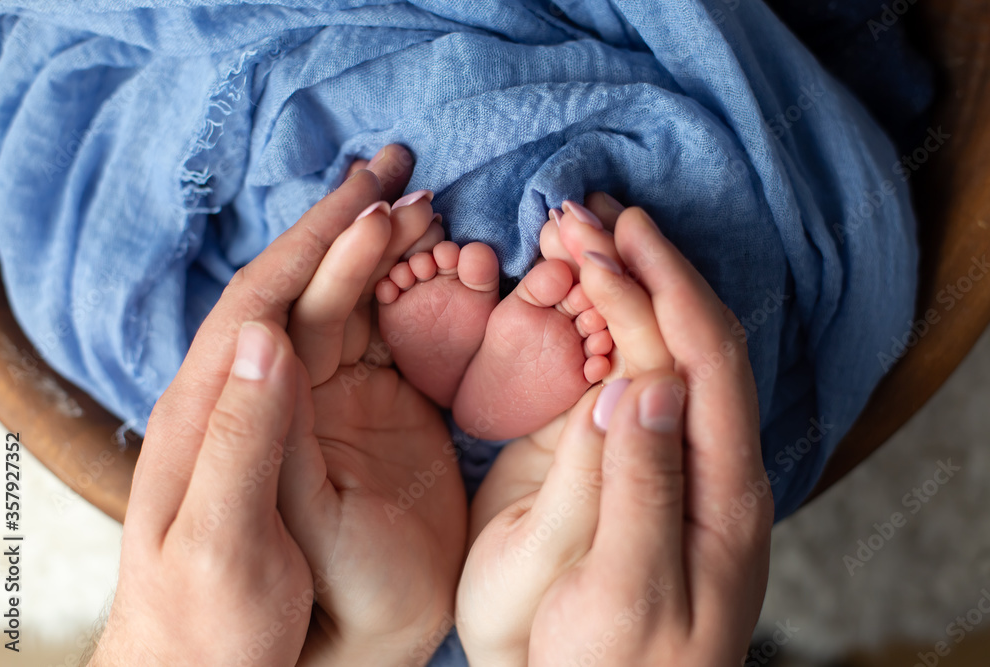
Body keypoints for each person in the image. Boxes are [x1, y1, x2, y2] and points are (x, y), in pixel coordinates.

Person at [85, 146, 772, 667]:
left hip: (370, 534)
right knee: (712, 333)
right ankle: (484, 416)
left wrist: (168, 647)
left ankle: (476, 410)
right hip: (561, 574)